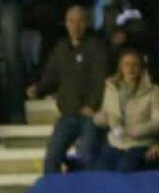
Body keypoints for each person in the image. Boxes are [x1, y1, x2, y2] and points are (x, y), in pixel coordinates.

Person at [27, 4, 107, 173]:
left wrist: (92, 105)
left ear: (87, 23)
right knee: (51, 160)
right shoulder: (61, 48)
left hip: (90, 117)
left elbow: (101, 80)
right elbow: (51, 74)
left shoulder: (96, 47)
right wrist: (38, 88)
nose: (76, 26)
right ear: (66, 24)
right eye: (71, 21)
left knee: (85, 159)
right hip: (68, 115)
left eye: (80, 21)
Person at [93, 48, 159, 172]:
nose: (130, 68)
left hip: (140, 143)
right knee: (100, 171)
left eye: (135, 64)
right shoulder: (111, 88)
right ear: (120, 67)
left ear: (141, 67)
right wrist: (100, 118)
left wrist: (136, 130)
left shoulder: (154, 91)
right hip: (115, 142)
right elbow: (105, 112)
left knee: (125, 169)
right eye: (126, 64)